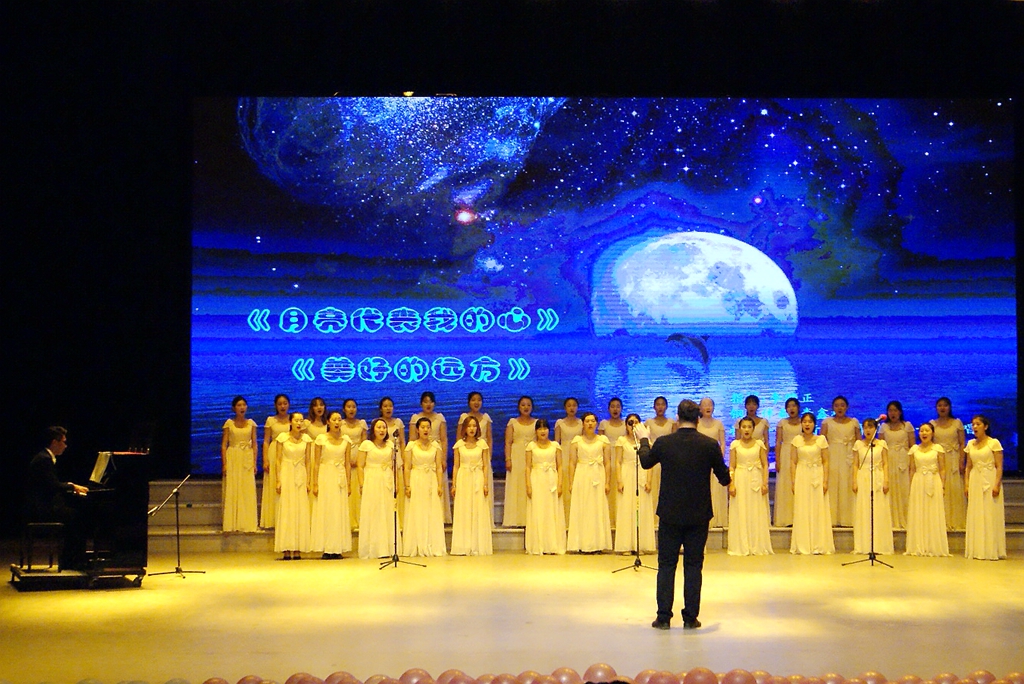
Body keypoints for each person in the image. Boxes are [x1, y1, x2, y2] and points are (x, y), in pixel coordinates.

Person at [637, 400, 729, 630]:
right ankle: (690, 618)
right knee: (693, 566)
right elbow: (724, 478)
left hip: (670, 513)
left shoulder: (664, 442)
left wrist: (644, 439)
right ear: (698, 419)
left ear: (677, 418)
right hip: (698, 514)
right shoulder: (709, 444)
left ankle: (663, 618)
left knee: (666, 565)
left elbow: (646, 462)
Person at [25, 426, 89, 569]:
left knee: (75, 516)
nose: (65, 446)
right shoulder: (44, 460)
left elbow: (51, 484)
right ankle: (73, 561)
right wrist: (72, 486)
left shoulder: (44, 458)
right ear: (54, 442)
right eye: (63, 442)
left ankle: (71, 560)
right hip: (43, 509)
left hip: (42, 506)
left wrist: (70, 487)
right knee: (78, 518)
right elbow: (53, 485)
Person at [566, 412, 613, 553]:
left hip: (598, 475)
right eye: (587, 421)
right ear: (583, 423)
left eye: (593, 421)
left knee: (597, 508)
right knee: (583, 507)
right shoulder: (576, 441)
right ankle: (582, 544)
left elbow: (608, 463)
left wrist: (608, 482)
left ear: (596, 423)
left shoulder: (603, 440)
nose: (590, 424)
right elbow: (572, 463)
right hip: (582, 475)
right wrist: (571, 482)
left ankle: (598, 544)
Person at [727, 417, 773, 556]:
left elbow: (765, 464)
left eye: (749, 427)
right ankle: (742, 545)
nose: (746, 430)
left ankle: (756, 544)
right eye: (744, 427)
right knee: (741, 509)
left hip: (755, 479)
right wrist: (731, 484)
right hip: (740, 479)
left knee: (756, 510)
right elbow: (732, 466)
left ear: (753, 429)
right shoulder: (735, 445)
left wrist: (765, 483)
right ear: (740, 429)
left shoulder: (759, 444)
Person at [790, 412, 834, 555]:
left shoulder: (821, 440)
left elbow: (826, 461)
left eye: (810, 422)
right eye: (804, 422)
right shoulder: (796, 440)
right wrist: (793, 481)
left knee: (817, 508)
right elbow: (793, 462)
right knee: (802, 508)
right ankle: (803, 543)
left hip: (817, 475)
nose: (807, 424)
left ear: (814, 424)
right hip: (802, 475)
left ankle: (818, 544)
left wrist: (825, 481)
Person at [310, 411, 352, 559]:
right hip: (325, 475)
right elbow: (316, 463)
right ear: (328, 421)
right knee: (326, 510)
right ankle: (326, 548)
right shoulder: (321, 439)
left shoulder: (346, 440)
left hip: (340, 476)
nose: (337, 422)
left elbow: (347, 463)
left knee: (339, 511)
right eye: (334, 419)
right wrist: (315, 483)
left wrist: (348, 483)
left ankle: (338, 547)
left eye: (339, 419)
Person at [963, 415, 1006, 560]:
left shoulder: (993, 443)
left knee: (990, 512)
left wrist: (996, 484)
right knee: (977, 512)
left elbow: (999, 466)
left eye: (978, 424)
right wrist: (966, 484)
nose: (975, 427)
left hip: (989, 479)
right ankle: (977, 548)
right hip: (975, 480)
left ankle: (991, 549)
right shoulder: (970, 444)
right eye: (973, 424)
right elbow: (968, 467)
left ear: (985, 426)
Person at [357, 418, 400, 559]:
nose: (382, 430)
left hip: (387, 480)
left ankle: (388, 547)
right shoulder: (366, 445)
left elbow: (395, 465)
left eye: (384, 427)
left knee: (387, 511)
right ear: (373, 429)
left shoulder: (391, 445)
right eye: (379, 427)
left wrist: (396, 483)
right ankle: (374, 548)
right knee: (374, 511)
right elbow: (360, 466)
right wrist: (362, 484)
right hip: (372, 480)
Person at [403, 417, 447, 557]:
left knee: (431, 511)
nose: (426, 430)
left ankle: (432, 544)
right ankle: (416, 544)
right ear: (417, 429)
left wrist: (439, 485)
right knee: (417, 510)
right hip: (416, 479)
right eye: (423, 427)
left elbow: (439, 467)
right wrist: (407, 485)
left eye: (428, 427)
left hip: (431, 480)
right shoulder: (411, 446)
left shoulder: (436, 446)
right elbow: (407, 467)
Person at [450, 415, 493, 555]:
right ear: (464, 428)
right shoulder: (459, 445)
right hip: (463, 478)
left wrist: (485, 484)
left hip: (478, 478)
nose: (472, 429)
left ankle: (478, 544)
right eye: (469, 426)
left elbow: (485, 465)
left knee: (478, 509)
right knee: (464, 509)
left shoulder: (482, 444)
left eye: (474, 426)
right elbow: (456, 466)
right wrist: (454, 484)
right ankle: (463, 545)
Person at [905, 422, 949, 557]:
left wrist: (942, 485)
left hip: (933, 481)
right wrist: (911, 486)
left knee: (933, 511)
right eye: (922, 431)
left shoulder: (938, 449)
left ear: (932, 433)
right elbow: (912, 469)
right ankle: (918, 545)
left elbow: (942, 469)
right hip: (918, 482)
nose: (924, 433)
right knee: (919, 511)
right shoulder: (914, 449)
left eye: (927, 430)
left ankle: (933, 545)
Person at [613, 414, 656, 554]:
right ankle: (626, 545)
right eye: (630, 423)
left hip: (642, 474)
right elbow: (618, 462)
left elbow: (650, 463)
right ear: (626, 425)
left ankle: (640, 545)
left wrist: (649, 480)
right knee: (626, 508)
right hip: (627, 474)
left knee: (642, 508)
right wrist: (619, 480)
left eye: (636, 422)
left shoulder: (645, 442)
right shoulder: (621, 441)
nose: (633, 425)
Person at [851, 418, 894, 555]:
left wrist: (886, 480)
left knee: (878, 509)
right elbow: (855, 464)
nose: (868, 430)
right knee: (864, 509)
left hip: (878, 477)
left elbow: (885, 463)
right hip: (863, 477)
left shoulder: (881, 444)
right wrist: (854, 481)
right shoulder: (858, 444)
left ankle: (880, 544)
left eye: (870, 427)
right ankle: (863, 545)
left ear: (876, 429)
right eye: (865, 427)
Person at [525, 419, 566, 555]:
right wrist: (528, 485)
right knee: (538, 510)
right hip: (536, 479)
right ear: (536, 431)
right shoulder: (531, 446)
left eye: (545, 428)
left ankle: (552, 544)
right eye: (540, 429)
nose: (543, 431)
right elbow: (527, 467)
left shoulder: (555, 446)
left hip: (551, 480)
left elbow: (560, 466)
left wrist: (560, 484)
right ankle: (538, 544)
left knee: (552, 510)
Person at [274, 412, 311, 560]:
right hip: (287, 473)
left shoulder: (306, 439)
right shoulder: (282, 438)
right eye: (296, 420)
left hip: (300, 473)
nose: (299, 423)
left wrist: (308, 481)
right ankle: (286, 547)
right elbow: (278, 460)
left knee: (300, 508)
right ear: (290, 422)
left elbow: (308, 461)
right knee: (287, 508)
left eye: (301, 421)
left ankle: (297, 547)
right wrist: (278, 480)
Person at [410, 391, 451, 524]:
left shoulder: (440, 418)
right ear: (421, 403)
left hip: (435, 453)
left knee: (437, 486)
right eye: (425, 402)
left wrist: (443, 458)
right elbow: (412, 439)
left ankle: (439, 518)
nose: (428, 404)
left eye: (431, 402)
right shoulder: (415, 418)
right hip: (420, 455)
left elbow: (443, 439)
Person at [820, 395, 859, 526]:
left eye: (842, 405)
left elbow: (858, 442)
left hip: (848, 456)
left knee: (846, 484)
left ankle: (848, 518)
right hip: (832, 455)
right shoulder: (827, 422)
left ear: (847, 407)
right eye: (836, 405)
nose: (839, 408)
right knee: (832, 484)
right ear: (833, 407)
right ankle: (831, 518)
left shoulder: (853, 422)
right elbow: (821, 442)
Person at [221, 396, 258, 533]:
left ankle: (247, 522)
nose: (242, 407)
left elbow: (255, 444)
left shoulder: (251, 423)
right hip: (233, 456)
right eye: (239, 405)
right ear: (234, 408)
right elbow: (224, 445)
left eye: (244, 405)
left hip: (246, 457)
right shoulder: (229, 423)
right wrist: (224, 464)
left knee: (246, 488)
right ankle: (232, 522)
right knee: (233, 487)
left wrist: (254, 462)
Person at [458, 391, 495, 523]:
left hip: (481, 455)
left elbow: (489, 439)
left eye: (479, 400)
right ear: (469, 402)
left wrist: (488, 457)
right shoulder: (464, 417)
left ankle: (484, 521)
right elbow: (459, 438)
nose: (476, 402)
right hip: (467, 455)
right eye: (473, 400)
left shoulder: (486, 418)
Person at [930, 397, 966, 530]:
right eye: (939, 405)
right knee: (941, 488)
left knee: (955, 489)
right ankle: (941, 522)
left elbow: (962, 443)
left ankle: (956, 520)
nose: (942, 408)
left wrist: (961, 460)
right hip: (938, 460)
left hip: (953, 459)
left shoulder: (957, 423)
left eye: (945, 405)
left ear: (949, 407)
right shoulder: (932, 424)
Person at [879, 400, 914, 530]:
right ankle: (890, 520)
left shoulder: (907, 426)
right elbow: (881, 447)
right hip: (888, 459)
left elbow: (912, 446)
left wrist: (913, 463)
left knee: (904, 489)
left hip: (903, 459)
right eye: (890, 411)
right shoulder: (884, 427)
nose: (892, 413)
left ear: (900, 412)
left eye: (895, 410)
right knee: (890, 489)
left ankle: (906, 519)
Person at [502, 396, 536, 527]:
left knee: (529, 484)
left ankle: (529, 517)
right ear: (518, 407)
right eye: (523, 405)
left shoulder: (536, 423)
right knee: (516, 485)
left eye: (528, 405)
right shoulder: (512, 423)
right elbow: (508, 442)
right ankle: (515, 518)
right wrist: (508, 459)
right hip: (516, 456)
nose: (526, 407)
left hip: (531, 457)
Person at [260, 393, 291, 529]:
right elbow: (266, 441)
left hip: (289, 453)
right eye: (280, 404)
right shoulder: (271, 420)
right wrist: (265, 460)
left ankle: (287, 518)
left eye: (285, 403)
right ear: (275, 406)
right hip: (274, 453)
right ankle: (273, 518)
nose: (282, 406)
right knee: (274, 484)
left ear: (288, 405)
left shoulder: (293, 419)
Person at [643, 396, 676, 524]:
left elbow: (674, 441)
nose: (660, 407)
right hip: (654, 458)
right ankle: (652, 518)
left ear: (666, 407)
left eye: (662, 404)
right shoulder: (648, 423)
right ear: (654, 407)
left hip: (668, 460)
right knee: (653, 487)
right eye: (658, 404)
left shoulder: (672, 423)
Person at [697, 397, 728, 528]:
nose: (708, 407)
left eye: (710, 404)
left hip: (714, 462)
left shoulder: (718, 423)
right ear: (700, 408)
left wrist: (719, 459)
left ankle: (718, 519)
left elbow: (723, 443)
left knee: (716, 489)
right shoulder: (696, 423)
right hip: (700, 462)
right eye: (704, 405)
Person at [339, 398, 368, 531]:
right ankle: (348, 520)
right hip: (344, 459)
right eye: (348, 407)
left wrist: (360, 460)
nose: (351, 409)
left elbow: (364, 442)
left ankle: (361, 520)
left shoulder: (361, 424)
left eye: (353, 407)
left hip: (359, 460)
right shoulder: (341, 424)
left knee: (359, 491)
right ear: (344, 409)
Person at [773, 397, 802, 527]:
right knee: (785, 484)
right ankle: (785, 518)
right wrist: (777, 460)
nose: (792, 408)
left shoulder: (804, 422)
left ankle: (799, 517)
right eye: (789, 406)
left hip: (800, 453)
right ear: (786, 409)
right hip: (785, 454)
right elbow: (778, 442)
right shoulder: (782, 423)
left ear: (798, 407)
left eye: (794, 405)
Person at [377, 397, 407, 524]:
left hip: (396, 456)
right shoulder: (377, 423)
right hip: (383, 457)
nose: (388, 408)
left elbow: (402, 441)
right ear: (381, 409)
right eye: (385, 406)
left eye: (390, 406)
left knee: (398, 487)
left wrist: (404, 459)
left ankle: (399, 519)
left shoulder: (398, 422)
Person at [599, 397, 627, 526]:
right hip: (607, 457)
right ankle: (609, 519)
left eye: (618, 406)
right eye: (612, 406)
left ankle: (621, 519)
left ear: (621, 408)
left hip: (622, 457)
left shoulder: (626, 423)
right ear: (608, 409)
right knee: (608, 486)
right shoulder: (604, 424)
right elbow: (600, 443)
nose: (615, 409)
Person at [555, 397, 584, 521]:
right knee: (565, 483)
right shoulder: (560, 423)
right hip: (564, 453)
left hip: (578, 455)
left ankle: (578, 516)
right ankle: (564, 517)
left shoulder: (581, 423)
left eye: (574, 405)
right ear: (565, 408)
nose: (572, 408)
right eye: (569, 405)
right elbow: (556, 443)